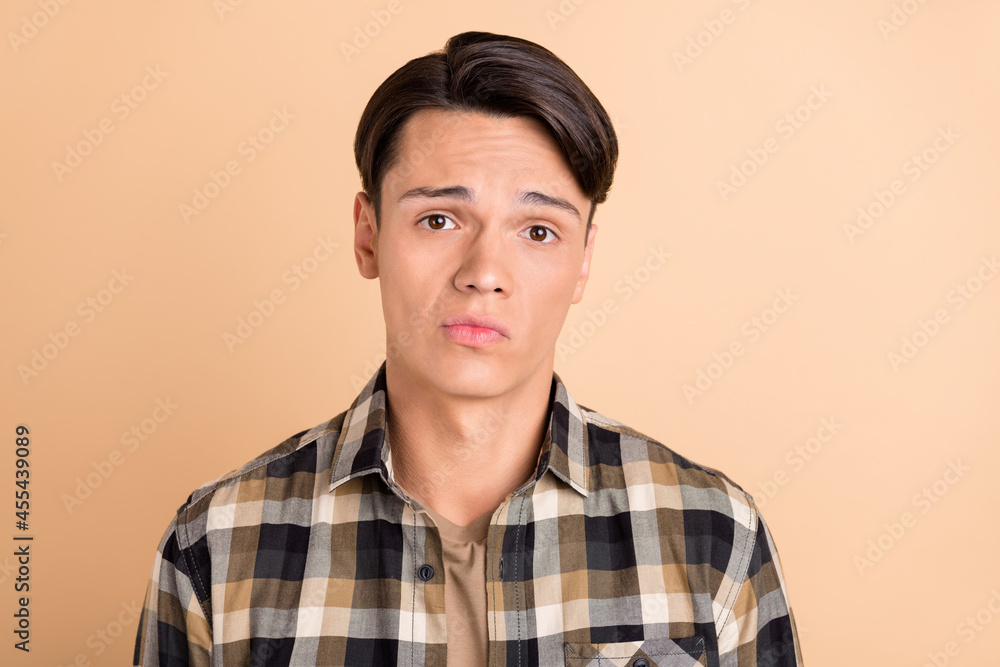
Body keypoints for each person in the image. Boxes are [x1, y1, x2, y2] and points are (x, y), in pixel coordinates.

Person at [134, 31, 803, 666]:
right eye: (439, 219)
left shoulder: (714, 534)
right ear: (367, 235)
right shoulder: (217, 542)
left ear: (583, 261)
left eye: (537, 231)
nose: (484, 270)